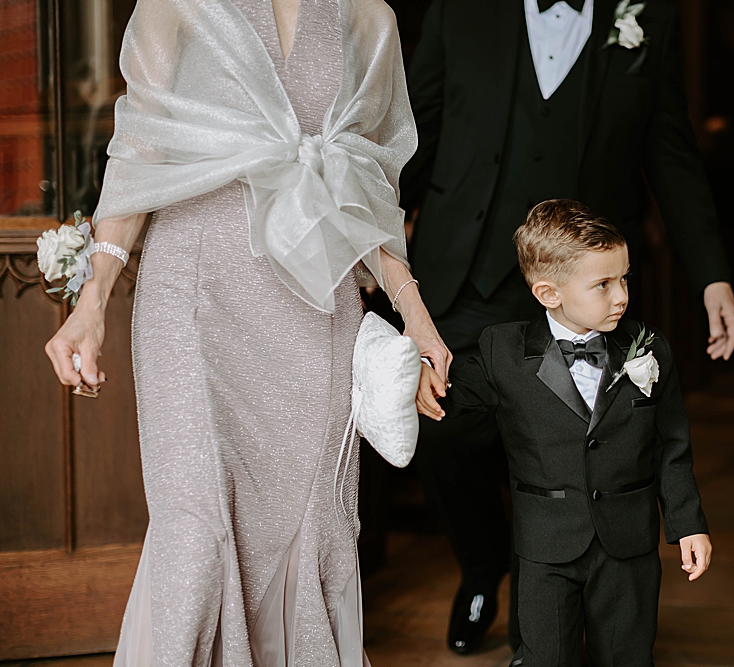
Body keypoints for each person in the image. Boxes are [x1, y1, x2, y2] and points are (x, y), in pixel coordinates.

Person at [42, 0, 446, 662]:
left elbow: (364, 188)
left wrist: (417, 317)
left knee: (304, 531)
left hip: (313, 312)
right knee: (196, 536)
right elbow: (139, 152)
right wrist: (92, 304)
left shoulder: (368, 17)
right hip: (191, 299)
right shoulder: (174, 5)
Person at [398, 0, 734, 651]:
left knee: (575, 441)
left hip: (580, 290)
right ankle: (481, 562)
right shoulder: (459, 11)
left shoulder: (647, 18)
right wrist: (372, 248)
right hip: (463, 273)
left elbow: (671, 150)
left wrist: (711, 273)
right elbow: (413, 135)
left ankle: (546, 614)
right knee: (439, 427)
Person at [438, 200, 712, 666]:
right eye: (603, 285)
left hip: (628, 543)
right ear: (549, 293)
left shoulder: (648, 346)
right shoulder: (502, 351)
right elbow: (446, 398)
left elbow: (672, 445)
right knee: (546, 657)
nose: (621, 296)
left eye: (624, 278)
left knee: (626, 655)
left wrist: (687, 524)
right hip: (546, 545)